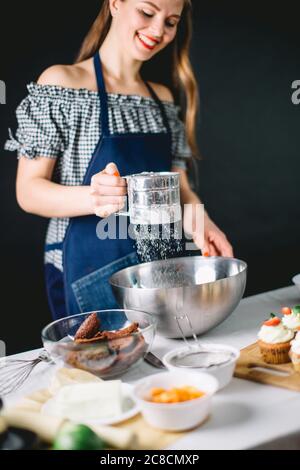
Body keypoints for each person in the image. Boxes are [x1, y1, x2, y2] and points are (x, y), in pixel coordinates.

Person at [5, 0, 233, 320]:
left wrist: (201, 223)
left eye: (171, 22)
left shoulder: (162, 99)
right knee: (101, 370)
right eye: (147, 12)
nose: (158, 30)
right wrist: (93, 196)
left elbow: (179, 188)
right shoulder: (61, 84)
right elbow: (28, 192)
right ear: (115, 4)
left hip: (159, 272)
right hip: (87, 271)